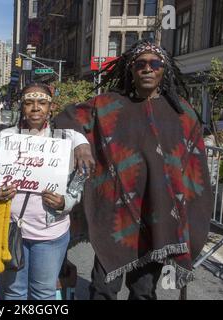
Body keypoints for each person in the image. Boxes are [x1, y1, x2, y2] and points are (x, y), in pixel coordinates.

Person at [55, 40, 213, 300]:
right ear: (131, 69)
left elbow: (195, 170)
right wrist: (80, 145)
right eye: (141, 64)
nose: (147, 69)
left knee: (143, 292)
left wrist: (187, 216)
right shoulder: (106, 105)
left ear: (164, 70)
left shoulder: (182, 113)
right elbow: (66, 118)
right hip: (115, 219)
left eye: (155, 64)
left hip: (157, 216)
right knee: (102, 289)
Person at [0, 83, 91, 300]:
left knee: (44, 293)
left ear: (51, 108)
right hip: (12, 230)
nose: (35, 108)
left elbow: (80, 177)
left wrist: (66, 202)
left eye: (42, 103)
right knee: (14, 291)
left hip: (51, 232)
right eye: (29, 103)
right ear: (21, 107)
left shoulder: (65, 139)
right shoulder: (5, 138)